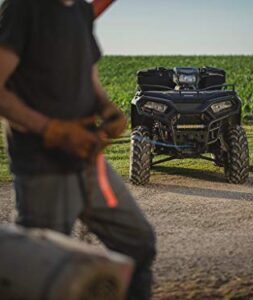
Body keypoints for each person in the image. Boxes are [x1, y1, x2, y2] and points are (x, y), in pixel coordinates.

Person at [0, 0, 156, 299]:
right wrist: (52, 129)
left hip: (89, 162)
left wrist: (107, 106)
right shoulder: (22, 7)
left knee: (138, 243)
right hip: (43, 169)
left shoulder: (81, 11)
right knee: (43, 276)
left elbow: (89, 76)